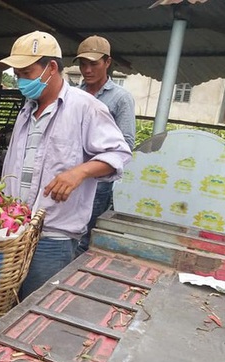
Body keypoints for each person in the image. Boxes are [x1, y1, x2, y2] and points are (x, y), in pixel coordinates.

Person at [0, 31, 132, 299]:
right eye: (18, 74)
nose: (22, 80)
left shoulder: (85, 107)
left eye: (27, 72)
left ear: (51, 67)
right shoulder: (27, 109)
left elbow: (119, 152)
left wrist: (79, 172)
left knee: (34, 311)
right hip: (14, 231)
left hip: (52, 237)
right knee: (8, 307)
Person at [73, 36, 136, 256]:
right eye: (83, 64)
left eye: (93, 64)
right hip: (69, 177)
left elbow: (126, 144)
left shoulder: (120, 98)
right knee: (65, 234)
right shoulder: (75, 95)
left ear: (107, 62)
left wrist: (92, 167)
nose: (87, 70)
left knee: (83, 238)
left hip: (97, 182)